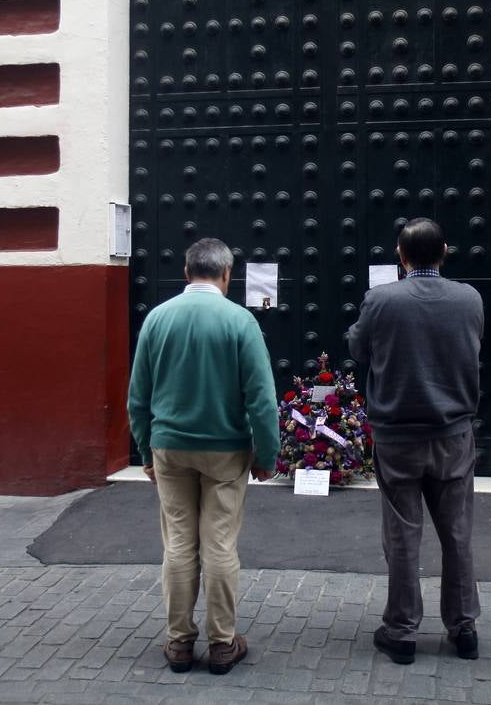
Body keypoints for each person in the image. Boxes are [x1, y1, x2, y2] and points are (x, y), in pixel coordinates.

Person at [127, 238, 279, 676]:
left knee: (178, 543)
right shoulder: (240, 321)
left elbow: (138, 396)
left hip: (170, 447)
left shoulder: (157, 319)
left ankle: (178, 642)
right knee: (219, 545)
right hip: (225, 451)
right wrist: (266, 453)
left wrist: (145, 450)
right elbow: (261, 399)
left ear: (187, 271)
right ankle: (222, 643)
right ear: (227, 274)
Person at [347, 217, 484, 665]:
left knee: (402, 536)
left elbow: (357, 349)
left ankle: (402, 632)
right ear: (445, 250)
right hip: (453, 434)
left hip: (397, 436)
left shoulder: (381, 300)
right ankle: (464, 629)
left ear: (400, 257)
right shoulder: (469, 299)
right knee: (457, 532)